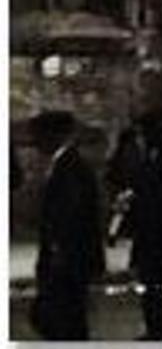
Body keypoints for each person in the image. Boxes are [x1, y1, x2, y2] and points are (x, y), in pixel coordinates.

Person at [29, 109, 105, 341]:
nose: (36, 143)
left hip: (68, 257)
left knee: (64, 318)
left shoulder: (69, 167)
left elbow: (69, 214)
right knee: (66, 317)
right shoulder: (69, 164)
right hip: (70, 256)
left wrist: (58, 250)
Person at [127, 110, 162, 341]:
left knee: (153, 282)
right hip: (154, 229)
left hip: (156, 230)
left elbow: (157, 194)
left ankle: (158, 327)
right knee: (159, 281)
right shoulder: (156, 156)